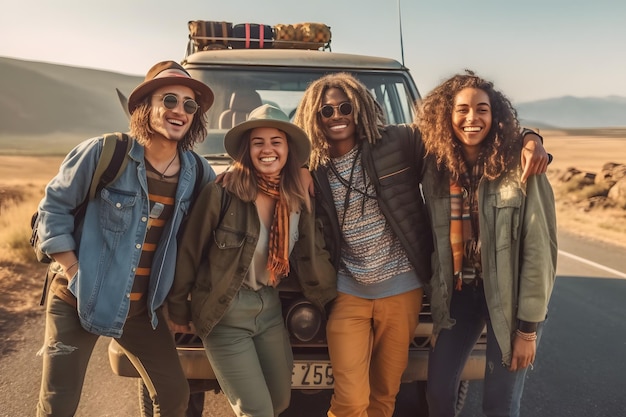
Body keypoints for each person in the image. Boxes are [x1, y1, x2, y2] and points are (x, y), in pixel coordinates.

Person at [292, 72, 549, 417]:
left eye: (345, 107)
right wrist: (298, 165)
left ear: (361, 109)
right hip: (367, 291)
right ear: (313, 116)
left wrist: (530, 138)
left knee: (403, 398)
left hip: (427, 292)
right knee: (369, 399)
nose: (337, 115)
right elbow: (269, 152)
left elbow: (538, 253)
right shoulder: (314, 167)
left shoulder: (400, 142)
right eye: (327, 111)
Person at [35, 60, 216, 417]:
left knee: (174, 395)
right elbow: (51, 211)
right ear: (145, 107)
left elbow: (215, 225)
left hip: (139, 311)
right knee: (59, 403)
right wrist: (73, 271)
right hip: (75, 299)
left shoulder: (199, 173)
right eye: (169, 100)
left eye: (189, 104)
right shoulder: (105, 152)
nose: (179, 111)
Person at [167, 104, 337, 417]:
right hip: (226, 311)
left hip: (269, 308)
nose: (267, 149)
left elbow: (316, 248)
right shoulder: (222, 193)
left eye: (277, 141)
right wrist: (177, 306)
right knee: (256, 411)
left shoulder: (298, 195)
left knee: (279, 402)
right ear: (247, 149)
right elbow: (189, 251)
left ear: (288, 149)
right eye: (258, 142)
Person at [415, 70, 557, 417]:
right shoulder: (436, 167)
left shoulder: (522, 166)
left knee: (499, 404)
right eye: (462, 109)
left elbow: (540, 250)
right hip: (461, 296)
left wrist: (527, 330)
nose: (471, 118)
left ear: (496, 117)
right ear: (447, 115)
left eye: (482, 109)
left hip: (509, 302)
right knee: (438, 393)